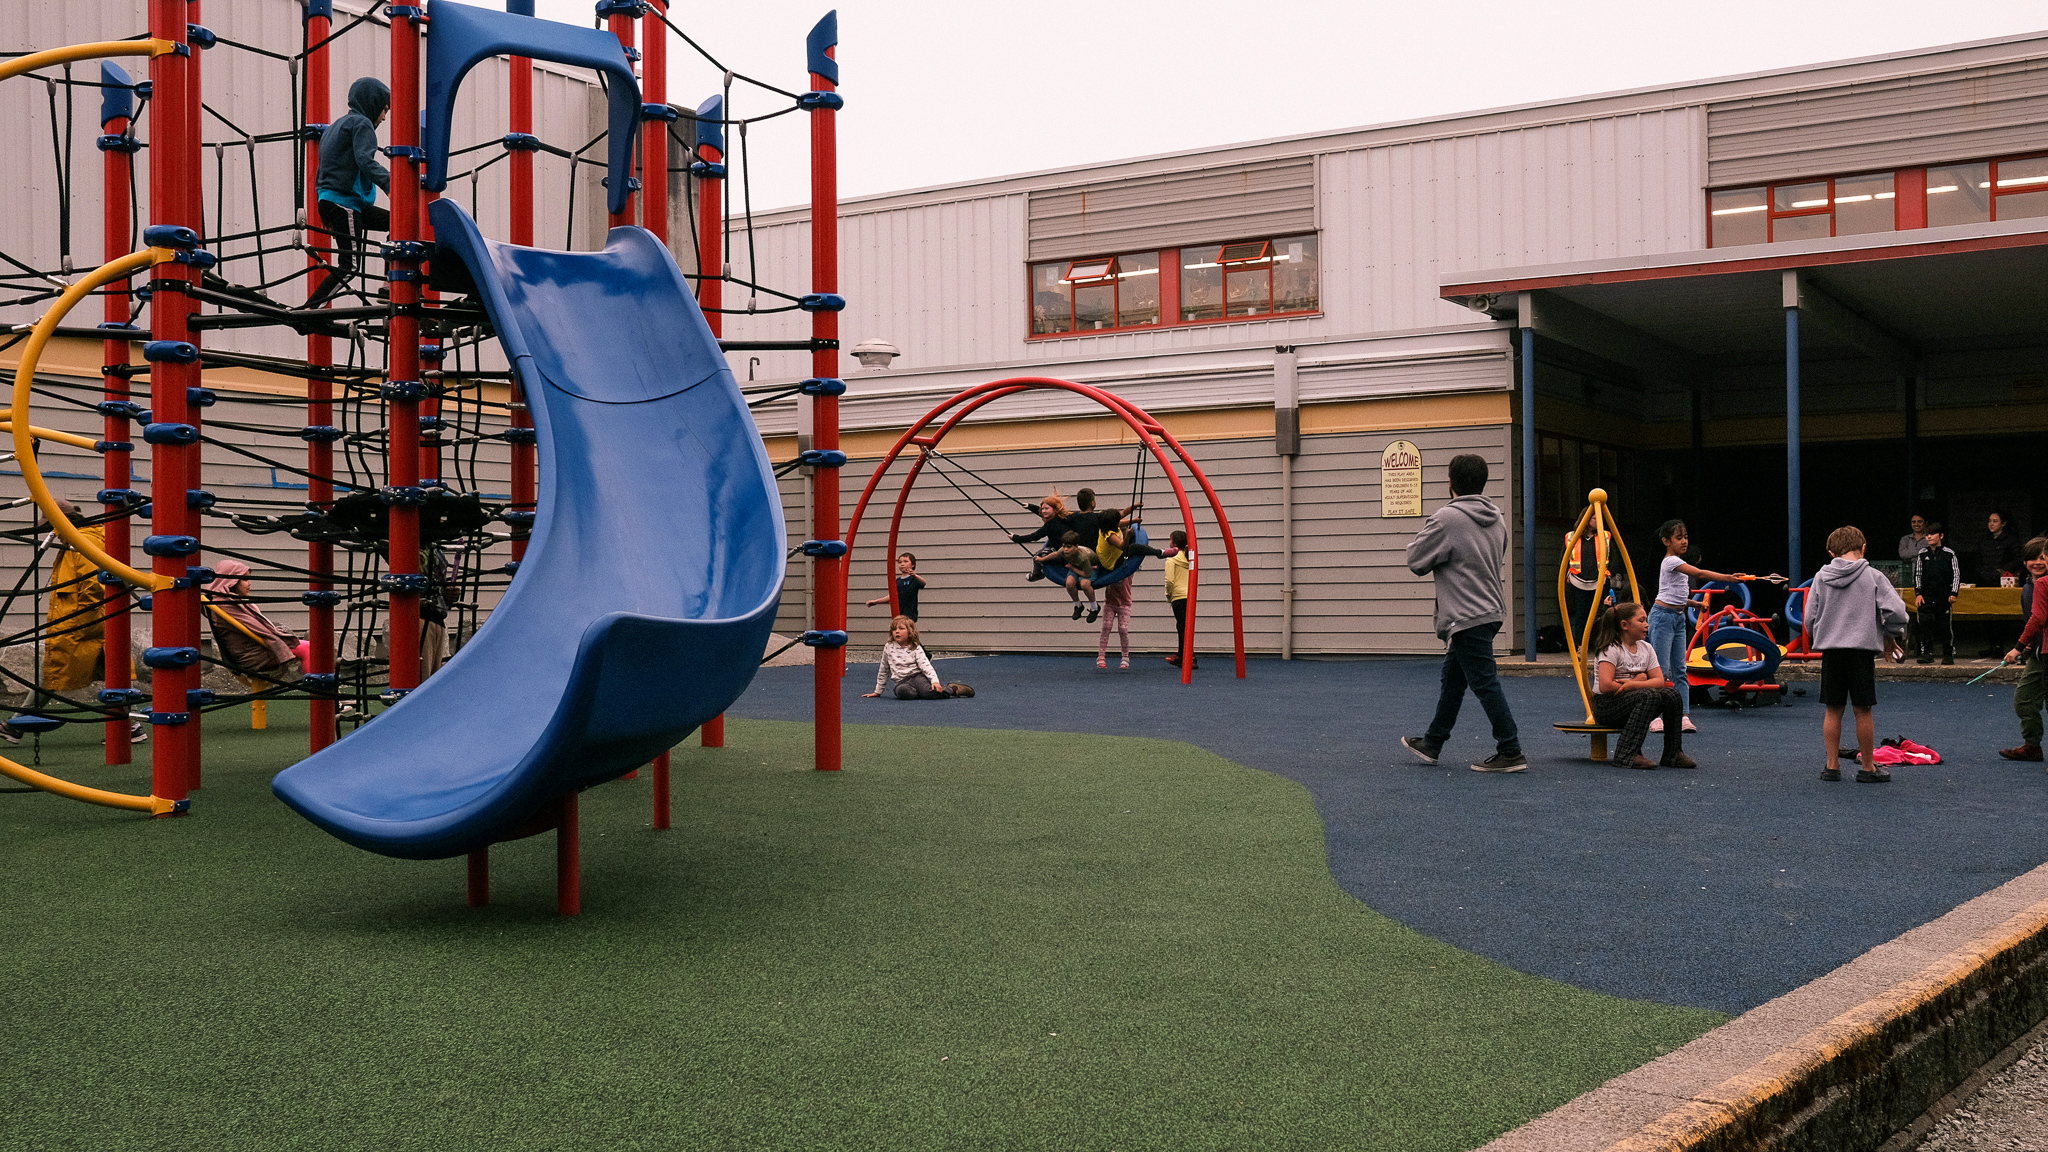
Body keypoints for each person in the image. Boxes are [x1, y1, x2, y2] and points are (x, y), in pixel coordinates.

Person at [1400, 454, 1524, 773]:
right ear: (1483, 482)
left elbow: (1416, 560)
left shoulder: (1447, 518)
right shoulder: (1497, 517)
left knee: (1485, 683)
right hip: (1490, 609)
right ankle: (1433, 742)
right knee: (1453, 680)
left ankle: (1511, 750)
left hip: (1466, 614)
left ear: (1450, 482)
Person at [1806, 526, 1909, 783]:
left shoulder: (1821, 577)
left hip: (1832, 651)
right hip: (1861, 652)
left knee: (1833, 709)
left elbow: (1809, 617)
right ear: (1863, 548)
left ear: (1831, 552)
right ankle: (1868, 768)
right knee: (1863, 710)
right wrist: (1889, 634)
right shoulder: (1873, 576)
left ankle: (1831, 766)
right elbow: (1897, 612)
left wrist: (1821, 635)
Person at [1647, 519, 1760, 734]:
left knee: (1680, 669)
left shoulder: (1677, 564)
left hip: (1677, 617)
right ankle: (1655, 716)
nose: (1684, 541)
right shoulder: (1670, 561)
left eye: (1686, 537)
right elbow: (1699, 574)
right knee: (1661, 670)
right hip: (1662, 618)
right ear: (1666, 541)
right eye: (1678, 538)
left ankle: (1683, 716)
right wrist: (1728, 578)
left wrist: (1695, 604)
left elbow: (1674, 594)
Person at [309, 77, 392, 308]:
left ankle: (390, 284)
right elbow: (366, 161)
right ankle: (310, 311)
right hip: (344, 203)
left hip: (333, 201)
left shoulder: (336, 126)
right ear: (373, 104)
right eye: (384, 110)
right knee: (350, 266)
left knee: (398, 224)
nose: (384, 118)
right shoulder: (362, 124)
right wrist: (392, 185)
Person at [1587, 602, 1691, 770]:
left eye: (1646, 620)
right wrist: (1640, 681)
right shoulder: (1611, 648)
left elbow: (1659, 681)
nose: (1646, 625)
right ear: (1625, 625)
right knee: (1649, 695)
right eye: (1641, 620)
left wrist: (1632, 684)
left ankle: (1673, 754)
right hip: (1607, 705)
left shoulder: (1646, 648)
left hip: (1631, 698)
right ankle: (1626, 754)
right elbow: (1606, 685)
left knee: (1671, 695)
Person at [203, 559, 310, 676]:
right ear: (231, 582)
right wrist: (283, 642)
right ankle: (316, 686)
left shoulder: (223, 601)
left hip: (253, 652)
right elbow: (261, 629)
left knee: (309, 647)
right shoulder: (227, 604)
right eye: (244, 579)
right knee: (308, 649)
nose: (249, 583)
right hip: (254, 657)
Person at [1999, 537, 2048, 763]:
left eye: (2042, 557)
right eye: (2031, 558)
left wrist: (2017, 648)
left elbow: (2039, 618)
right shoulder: (2028, 587)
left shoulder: (2043, 585)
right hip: (2038, 653)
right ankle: (2032, 745)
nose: (2037, 562)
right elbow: (2032, 620)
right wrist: (2028, 643)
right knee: (2024, 700)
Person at [862, 616, 970, 700]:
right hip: (901, 681)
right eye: (894, 629)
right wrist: (878, 691)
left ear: (910, 632)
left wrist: (935, 681)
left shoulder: (915, 647)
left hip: (917, 677)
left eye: (901, 628)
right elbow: (884, 669)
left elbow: (926, 666)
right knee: (903, 692)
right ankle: (921, 693)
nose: (897, 631)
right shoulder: (889, 647)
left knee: (929, 692)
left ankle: (952, 689)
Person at [1978, 511, 2026, 656]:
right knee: (1986, 615)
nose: (1991, 524)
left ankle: (1999, 645)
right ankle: (1992, 645)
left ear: (2003, 523)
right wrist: (1982, 572)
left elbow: (2018, 559)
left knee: (2001, 615)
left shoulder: (2011, 540)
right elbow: (1979, 559)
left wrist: (2002, 570)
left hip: (2002, 581)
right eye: (1989, 521)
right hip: (1985, 580)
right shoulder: (1984, 540)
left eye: (1995, 521)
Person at [1911, 522, 1960, 664]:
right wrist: (1918, 593)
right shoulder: (1922, 554)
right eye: (1927, 535)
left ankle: (1948, 653)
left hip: (1943, 596)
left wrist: (1953, 592)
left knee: (1945, 626)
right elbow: (1918, 574)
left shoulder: (1949, 554)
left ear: (1941, 536)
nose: (1929, 537)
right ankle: (1927, 653)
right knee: (1924, 624)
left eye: (1932, 534)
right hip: (1926, 596)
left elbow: (1956, 575)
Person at [1010, 491, 1075, 581]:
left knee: (1038, 555)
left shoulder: (1050, 525)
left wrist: (1016, 538)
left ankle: (1037, 574)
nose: (1044, 511)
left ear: (1055, 509)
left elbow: (1034, 536)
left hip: (1064, 555)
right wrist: (1030, 507)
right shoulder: (1061, 518)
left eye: (1046, 508)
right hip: (1072, 550)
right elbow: (1044, 513)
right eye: (1042, 509)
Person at [1044, 531, 1100, 622]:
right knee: (1069, 584)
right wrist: (1042, 559)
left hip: (1089, 568)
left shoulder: (1083, 558)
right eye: (1064, 546)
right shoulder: (1063, 550)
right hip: (1075, 566)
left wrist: (1073, 569)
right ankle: (1078, 605)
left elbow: (1087, 574)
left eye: (1069, 547)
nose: (1065, 549)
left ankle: (1095, 607)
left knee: (1085, 584)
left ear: (1076, 547)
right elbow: (1056, 554)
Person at [1162, 530, 1196, 670]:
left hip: (1178, 596)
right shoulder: (1189, 559)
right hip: (1189, 595)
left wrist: (1168, 595)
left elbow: (1169, 580)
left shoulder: (1171, 560)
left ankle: (1188, 657)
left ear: (1174, 543)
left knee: (1182, 627)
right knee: (1184, 626)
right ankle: (1183, 654)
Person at [864, 552, 926, 621]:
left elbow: (923, 583)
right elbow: (891, 596)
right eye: (900, 562)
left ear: (913, 565)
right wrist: (876, 601)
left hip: (910, 616)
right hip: (898, 615)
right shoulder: (897, 581)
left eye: (905, 561)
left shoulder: (914, 579)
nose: (902, 564)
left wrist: (915, 575)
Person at [1096, 572, 1133, 670]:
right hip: (1110, 603)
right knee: (1106, 627)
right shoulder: (1110, 571)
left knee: (1123, 629)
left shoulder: (1128, 572)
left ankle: (1125, 657)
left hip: (1124, 603)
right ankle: (1101, 656)